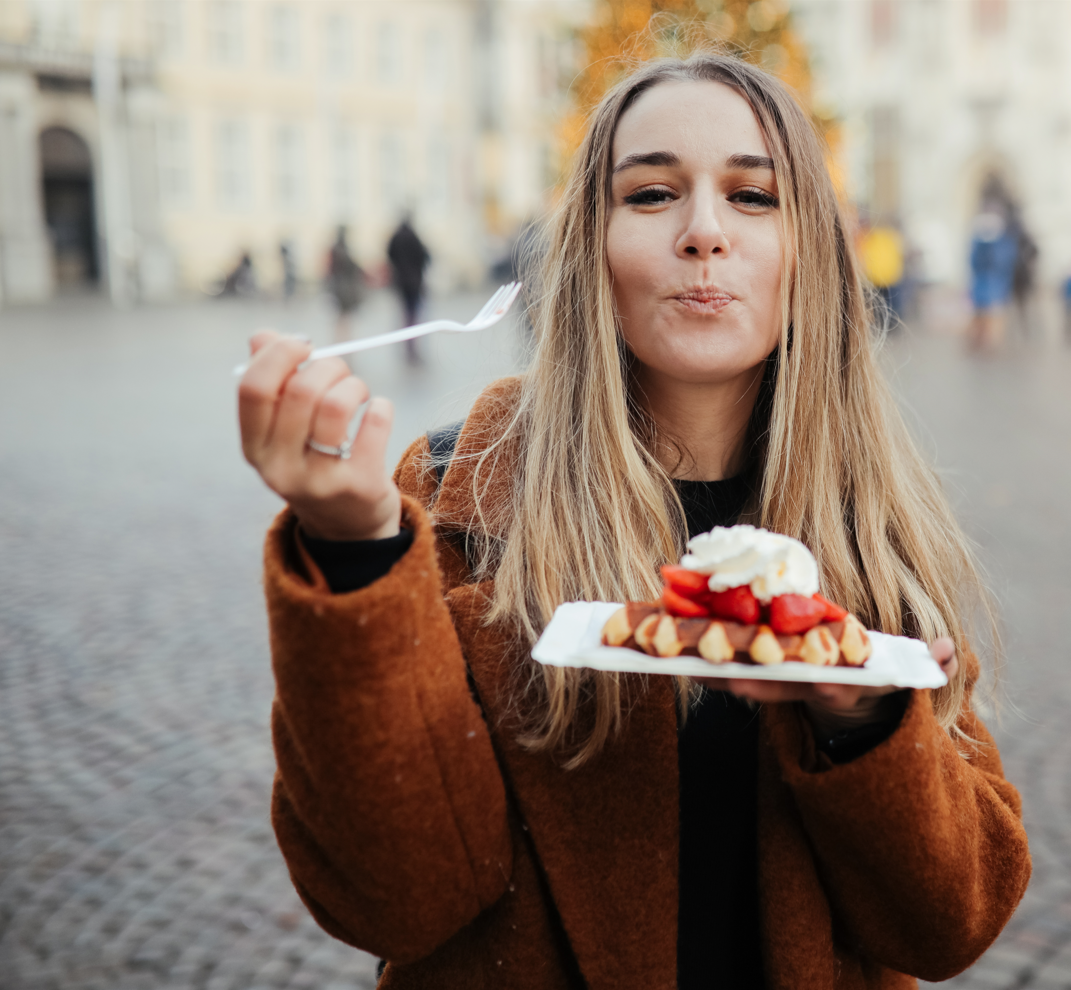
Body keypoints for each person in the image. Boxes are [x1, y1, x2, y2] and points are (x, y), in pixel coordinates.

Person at [237, 53, 1030, 989]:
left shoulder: (873, 522)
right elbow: (397, 902)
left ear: (808, 248)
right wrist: (356, 545)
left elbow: (951, 924)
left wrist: (861, 723)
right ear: (593, 246)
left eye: (753, 197)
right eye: (652, 194)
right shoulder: (461, 490)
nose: (703, 233)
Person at [968, 203, 1018, 351]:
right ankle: (979, 343)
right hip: (983, 286)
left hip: (995, 287)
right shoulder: (979, 241)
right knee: (980, 317)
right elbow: (974, 262)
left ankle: (990, 344)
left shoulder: (1004, 242)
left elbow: (1004, 264)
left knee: (993, 318)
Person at [387, 216, 432, 364]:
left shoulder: (396, 237)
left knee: (405, 315)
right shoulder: (414, 237)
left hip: (401, 282)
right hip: (414, 282)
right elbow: (425, 256)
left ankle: (408, 347)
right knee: (414, 315)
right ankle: (413, 348)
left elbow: (389, 254)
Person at [859, 217, 906, 327]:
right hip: (888, 276)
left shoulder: (871, 237)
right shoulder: (892, 237)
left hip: (877, 276)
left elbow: (866, 256)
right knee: (889, 303)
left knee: (879, 304)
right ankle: (890, 324)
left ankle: (883, 323)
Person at [326, 226, 366, 345]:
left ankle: (343, 342)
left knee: (343, 318)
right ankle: (342, 342)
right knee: (343, 318)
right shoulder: (340, 250)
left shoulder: (338, 249)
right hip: (343, 288)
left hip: (342, 287)